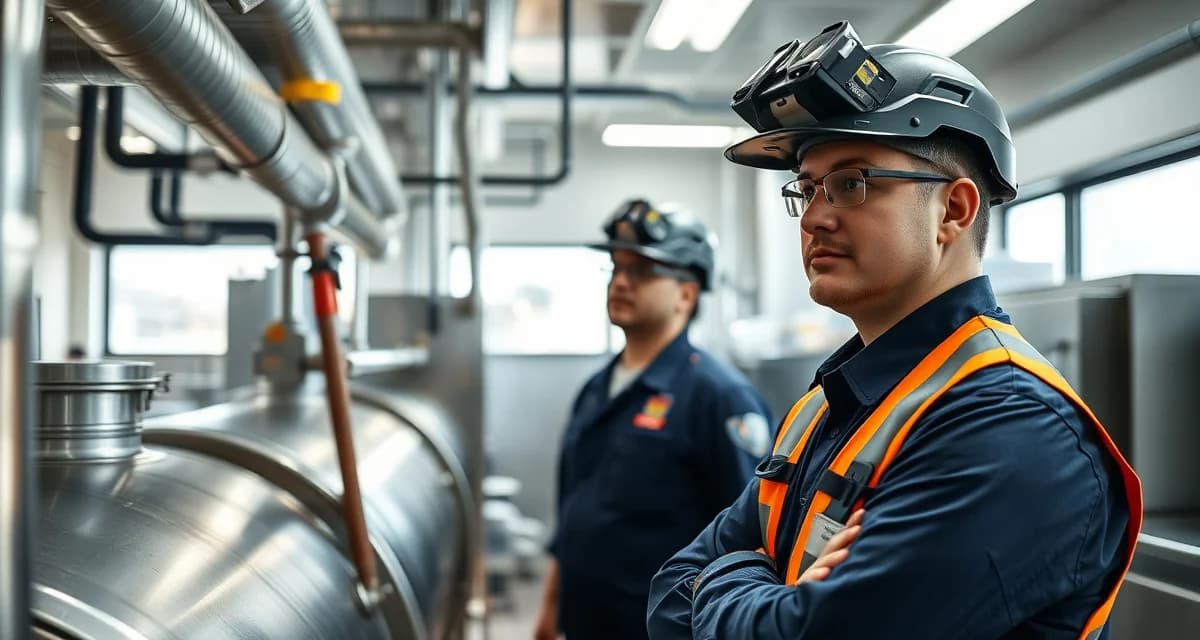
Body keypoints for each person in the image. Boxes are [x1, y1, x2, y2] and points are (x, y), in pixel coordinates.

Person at [647, 21, 1142, 640]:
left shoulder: (1008, 428)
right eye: (808, 189)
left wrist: (730, 579)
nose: (816, 217)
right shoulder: (829, 406)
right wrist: (766, 597)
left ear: (953, 210)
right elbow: (669, 592)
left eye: (853, 184)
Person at [534, 199, 774, 640]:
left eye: (642, 272)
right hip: (585, 621)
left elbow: (754, 539)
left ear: (686, 294)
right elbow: (573, 513)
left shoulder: (720, 397)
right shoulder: (596, 388)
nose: (621, 282)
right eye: (615, 268)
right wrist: (549, 612)